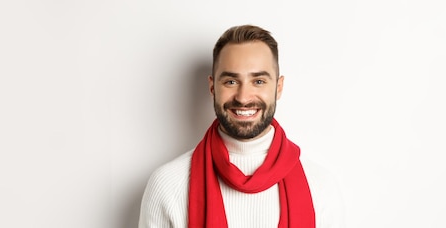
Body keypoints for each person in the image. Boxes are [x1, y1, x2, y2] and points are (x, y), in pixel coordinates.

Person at [138, 25, 344, 228]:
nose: (244, 97)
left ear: (278, 88)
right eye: (231, 82)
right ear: (212, 87)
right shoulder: (168, 185)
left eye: (259, 81)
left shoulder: (320, 186)